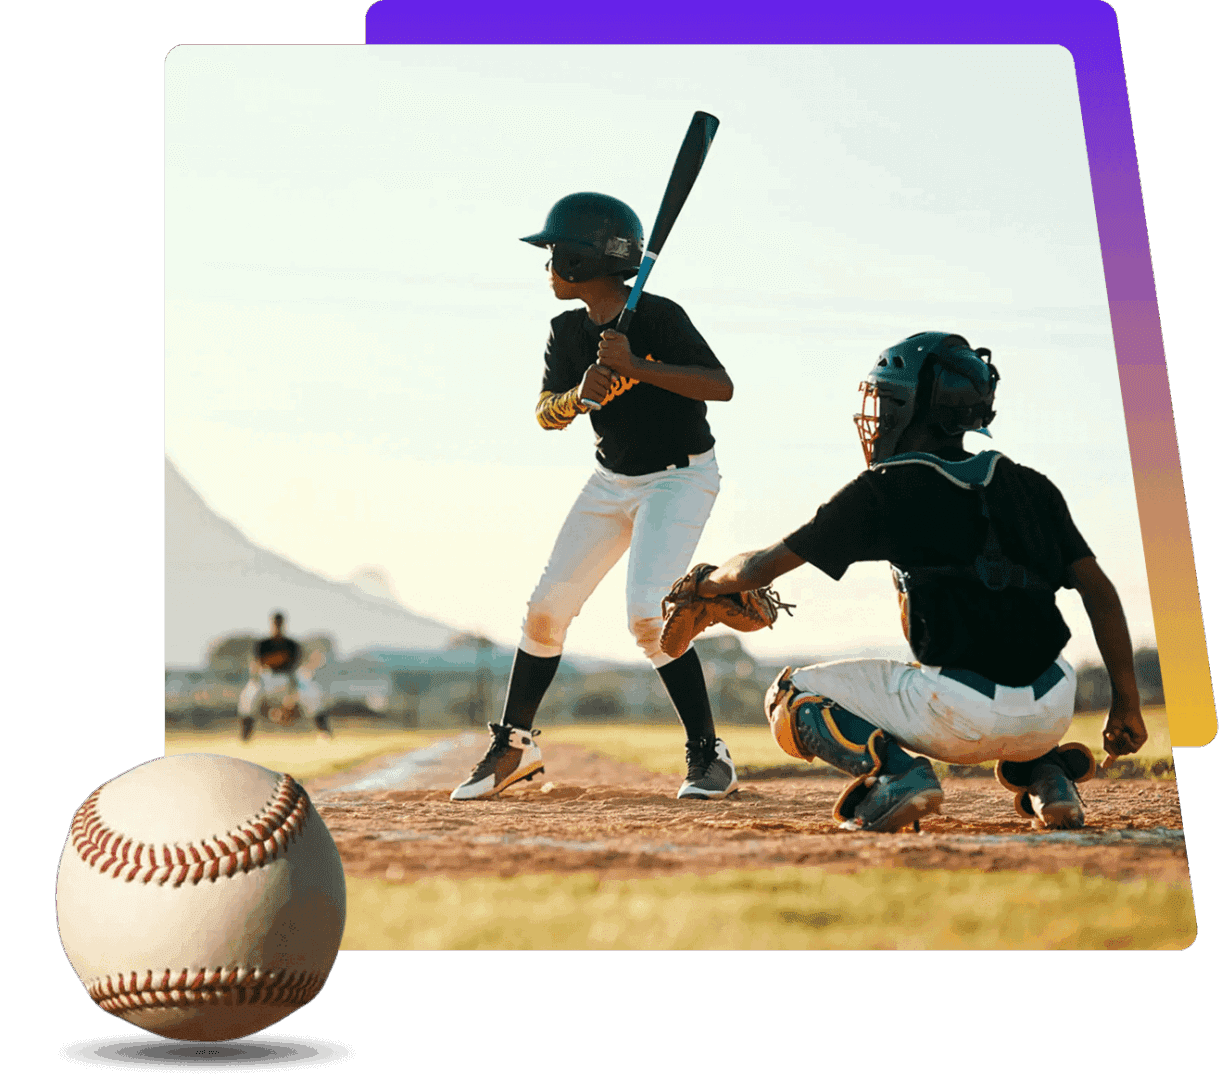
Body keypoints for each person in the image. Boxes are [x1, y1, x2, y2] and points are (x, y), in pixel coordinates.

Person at [688, 331, 1148, 832]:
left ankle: (897, 774)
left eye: (887, 400)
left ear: (915, 408)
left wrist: (708, 581)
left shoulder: (886, 488)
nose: (879, 415)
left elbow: (759, 569)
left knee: (790, 695)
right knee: (998, 664)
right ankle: (1050, 774)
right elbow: (1100, 593)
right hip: (1055, 704)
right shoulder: (1032, 484)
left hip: (959, 714)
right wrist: (1126, 702)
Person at [451, 192, 737, 801]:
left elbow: (721, 386)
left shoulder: (659, 318)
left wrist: (640, 364)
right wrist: (581, 395)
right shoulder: (566, 332)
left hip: (681, 477)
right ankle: (515, 746)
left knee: (645, 617)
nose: (548, 265)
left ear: (581, 261)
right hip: (612, 481)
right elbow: (544, 415)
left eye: (554, 253)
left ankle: (710, 755)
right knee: (547, 608)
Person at [238, 612, 332, 741]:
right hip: (267, 678)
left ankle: (324, 732)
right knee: (248, 695)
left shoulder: (292, 645)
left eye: (279, 623)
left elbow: (295, 671)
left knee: (312, 692)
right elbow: (256, 667)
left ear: (283, 624)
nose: (277, 626)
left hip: (288, 678)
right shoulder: (262, 645)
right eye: (275, 623)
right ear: (271, 624)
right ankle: (245, 734)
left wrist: (290, 699)